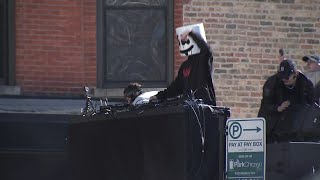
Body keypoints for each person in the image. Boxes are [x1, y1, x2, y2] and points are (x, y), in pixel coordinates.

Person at [150, 25, 216, 105]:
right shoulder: (185, 65)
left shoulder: (203, 60)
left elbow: (206, 50)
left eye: (186, 40)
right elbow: (177, 87)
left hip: (204, 108)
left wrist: (191, 33)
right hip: (189, 108)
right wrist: (159, 96)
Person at [258, 59, 315, 142]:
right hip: (274, 126)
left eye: (287, 76)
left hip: (296, 125)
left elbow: (311, 105)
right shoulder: (272, 83)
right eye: (282, 76)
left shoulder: (305, 84)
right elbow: (265, 106)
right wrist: (278, 108)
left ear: (295, 74)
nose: (284, 79)